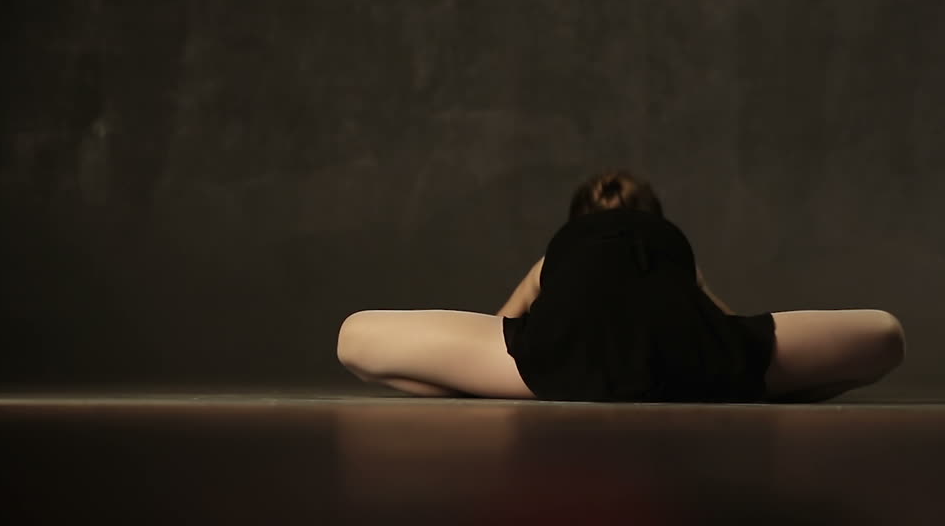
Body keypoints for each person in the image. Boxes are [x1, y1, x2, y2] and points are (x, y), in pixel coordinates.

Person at [337, 170, 905, 402]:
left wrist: (484, 378)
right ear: (653, 218)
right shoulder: (667, 248)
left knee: (354, 338)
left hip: (560, 360)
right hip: (693, 359)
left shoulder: (556, 254)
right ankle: (694, 383)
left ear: (576, 222)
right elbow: (722, 320)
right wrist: (737, 374)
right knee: (885, 335)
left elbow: (504, 324)